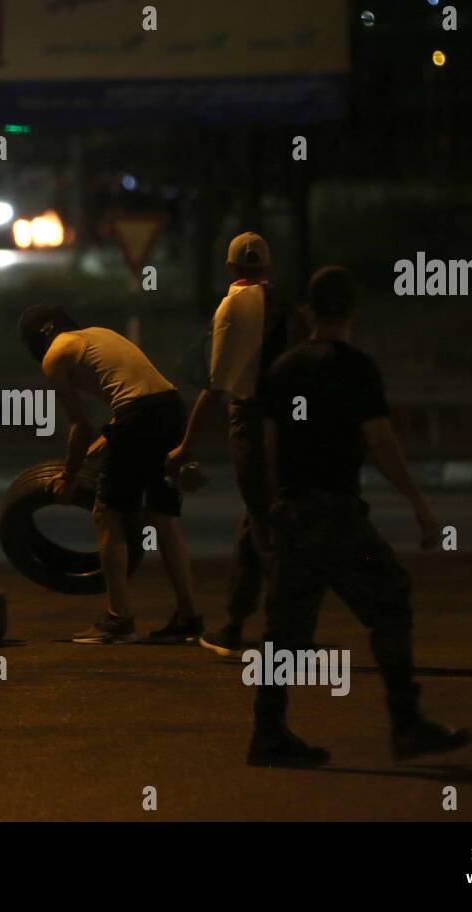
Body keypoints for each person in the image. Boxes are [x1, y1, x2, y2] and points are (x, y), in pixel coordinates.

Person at [249, 265, 472, 767]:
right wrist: (418, 501)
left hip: (294, 512)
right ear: (353, 312)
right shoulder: (356, 368)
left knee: (284, 629)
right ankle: (406, 722)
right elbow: (380, 441)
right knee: (390, 598)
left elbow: (270, 448)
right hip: (338, 512)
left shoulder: (282, 369)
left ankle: (267, 732)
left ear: (308, 311)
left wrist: (269, 514)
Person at [18, 304, 199, 645]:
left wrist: (69, 477)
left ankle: (119, 619)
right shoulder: (98, 334)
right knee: (161, 515)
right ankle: (189, 617)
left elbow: (80, 425)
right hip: (171, 407)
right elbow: (137, 390)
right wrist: (111, 436)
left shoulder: (54, 357)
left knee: (106, 513)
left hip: (139, 415)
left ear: (36, 341)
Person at [167, 232, 289, 656]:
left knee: (263, 524)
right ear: (266, 267)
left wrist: (185, 446)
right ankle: (235, 624)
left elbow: (215, 387)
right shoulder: (282, 302)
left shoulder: (232, 305)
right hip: (286, 422)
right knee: (255, 519)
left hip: (250, 419)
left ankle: (286, 630)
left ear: (232, 268)